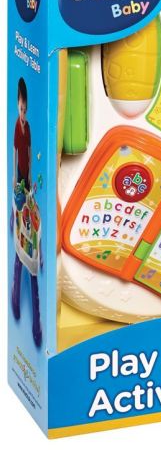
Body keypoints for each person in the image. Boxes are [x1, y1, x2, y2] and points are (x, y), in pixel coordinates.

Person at [11, 77, 42, 347]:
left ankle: (36, 323)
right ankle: (15, 296)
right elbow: (15, 153)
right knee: (19, 210)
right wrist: (15, 177)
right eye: (20, 108)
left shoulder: (28, 127)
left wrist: (30, 175)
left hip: (27, 177)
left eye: (24, 108)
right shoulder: (16, 127)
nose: (22, 112)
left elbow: (29, 153)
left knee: (29, 217)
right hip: (18, 178)